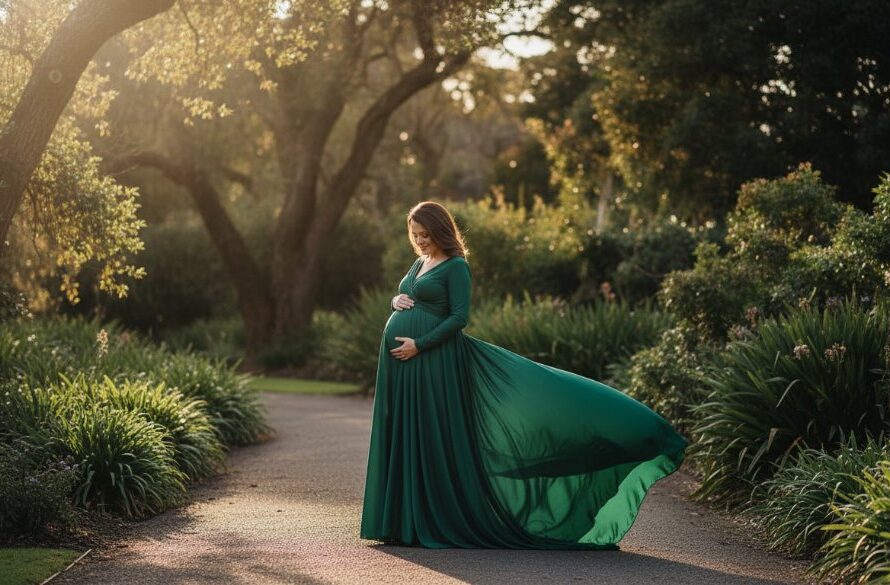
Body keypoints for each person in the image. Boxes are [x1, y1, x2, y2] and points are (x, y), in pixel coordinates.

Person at [359, 200, 688, 549]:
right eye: (415, 235)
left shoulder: (456, 267)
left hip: (432, 362)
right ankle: (401, 520)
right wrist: (396, 301)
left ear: (441, 231)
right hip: (403, 367)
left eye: (425, 234)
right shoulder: (420, 261)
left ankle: (427, 520)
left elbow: (458, 318)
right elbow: (412, 295)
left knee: (429, 435)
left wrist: (420, 344)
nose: (420, 241)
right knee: (405, 433)